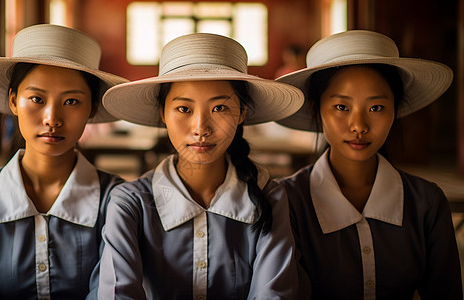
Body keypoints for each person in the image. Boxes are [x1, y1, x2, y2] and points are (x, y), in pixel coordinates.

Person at [97, 33, 306, 299]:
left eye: (219, 108)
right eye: (184, 109)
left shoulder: (270, 198)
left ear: (241, 113)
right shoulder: (129, 203)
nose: (200, 129)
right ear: (163, 113)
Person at [0, 24, 128, 299]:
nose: (52, 118)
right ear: (13, 101)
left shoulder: (117, 199)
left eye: (71, 102)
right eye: (36, 98)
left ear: (91, 109)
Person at [275, 30, 462, 299]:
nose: (359, 126)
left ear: (395, 110)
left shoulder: (427, 202)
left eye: (376, 108)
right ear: (318, 109)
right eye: (341, 107)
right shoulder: (286, 201)